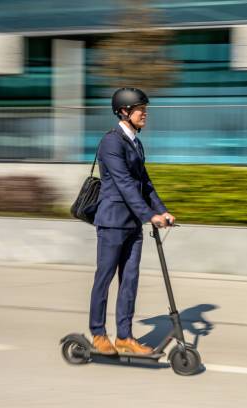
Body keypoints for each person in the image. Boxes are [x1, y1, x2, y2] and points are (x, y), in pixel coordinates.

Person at [89, 87, 175, 355]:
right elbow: (125, 185)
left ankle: (124, 337)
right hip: (113, 222)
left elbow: (144, 183)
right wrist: (150, 215)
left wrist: (163, 210)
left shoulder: (135, 142)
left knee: (130, 280)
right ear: (124, 111)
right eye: (141, 109)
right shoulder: (111, 142)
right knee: (104, 278)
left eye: (145, 110)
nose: (145, 114)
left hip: (132, 225)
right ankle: (98, 333)